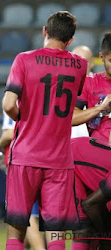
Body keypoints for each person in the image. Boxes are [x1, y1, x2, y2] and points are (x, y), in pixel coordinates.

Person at [2, 11, 87, 250]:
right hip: (60, 160)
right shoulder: (80, 64)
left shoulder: (24, 59)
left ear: (44, 31)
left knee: (16, 231)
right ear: (70, 41)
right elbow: (72, 107)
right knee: (56, 233)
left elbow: (8, 104)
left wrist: (24, 119)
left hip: (25, 157)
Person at [70, 32, 111, 249]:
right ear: (101, 57)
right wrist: (100, 109)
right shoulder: (88, 83)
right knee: (83, 228)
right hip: (91, 165)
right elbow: (71, 118)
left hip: (107, 167)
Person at [0, 112, 45, 250]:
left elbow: (10, 133)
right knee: (36, 216)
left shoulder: (14, 98)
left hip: (21, 162)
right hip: (43, 158)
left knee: (24, 217)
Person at [71, 45, 95, 138]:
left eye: (84, 61)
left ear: (92, 63)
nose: (80, 65)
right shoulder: (60, 87)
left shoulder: (102, 86)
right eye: (76, 62)